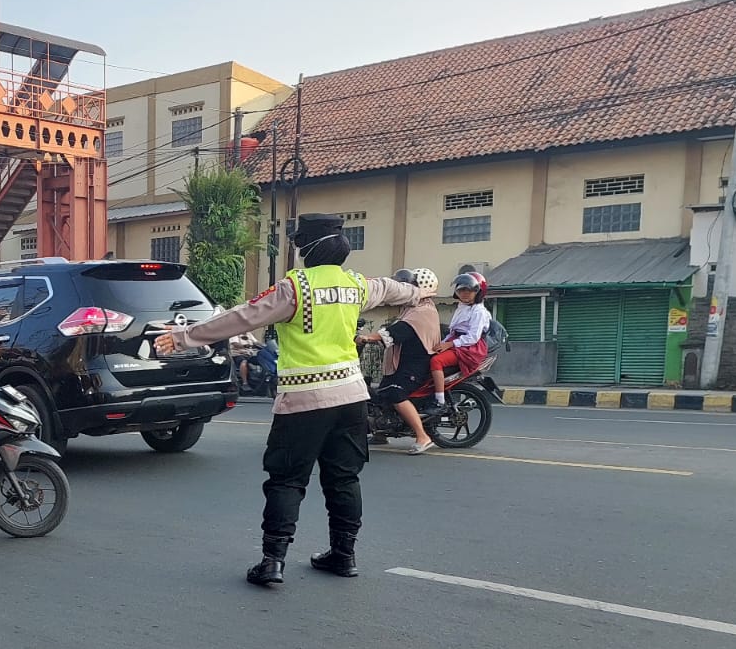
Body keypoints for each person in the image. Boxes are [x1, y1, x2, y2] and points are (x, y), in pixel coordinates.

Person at [155, 214, 421, 586]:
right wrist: (418, 293)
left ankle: (273, 561)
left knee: (287, 480)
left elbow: (241, 318)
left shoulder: (294, 288)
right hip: (351, 398)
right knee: (344, 478)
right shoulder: (356, 285)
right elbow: (396, 290)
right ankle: (344, 555)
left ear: (307, 249)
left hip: (304, 399)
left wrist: (183, 337)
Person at [360, 269, 442, 453]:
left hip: (416, 363)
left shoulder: (423, 310)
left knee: (396, 393)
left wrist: (370, 337)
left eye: (407, 287)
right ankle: (381, 433)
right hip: (403, 362)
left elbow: (400, 331)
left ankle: (422, 436)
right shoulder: (411, 308)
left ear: (419, 288)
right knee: (381, 394)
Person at [431, 272, 492, 404]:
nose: (464, 293)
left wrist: (449, 344)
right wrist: (441, 343)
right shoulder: (462, 307)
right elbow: (453, 331)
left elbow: (473, 337)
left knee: (436, 361)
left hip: (469, 348)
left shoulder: (479, 312)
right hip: (456, 342)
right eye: (461, 290)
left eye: (469, 290)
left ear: (478, 292)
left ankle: (439, 401)